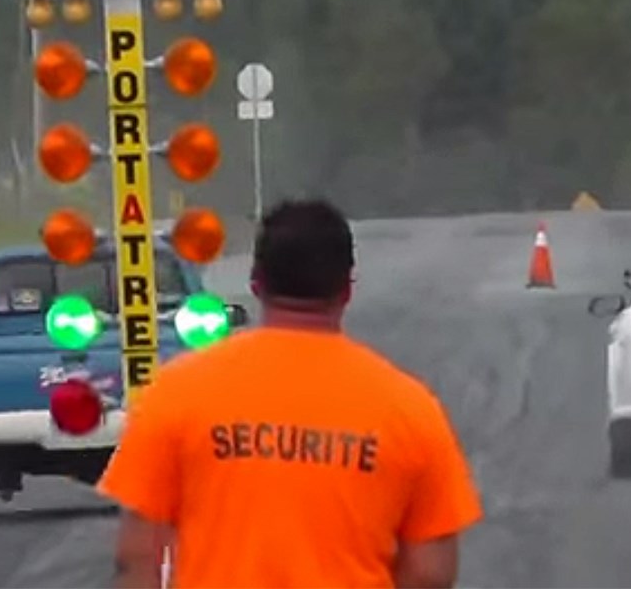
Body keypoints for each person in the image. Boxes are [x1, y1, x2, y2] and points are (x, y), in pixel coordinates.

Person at [98, 199, 482, 588]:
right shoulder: (410, 408)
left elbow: (137, 557)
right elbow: (429, 573)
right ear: (346, 289)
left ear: (257, 284)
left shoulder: (175, 392)